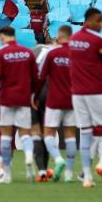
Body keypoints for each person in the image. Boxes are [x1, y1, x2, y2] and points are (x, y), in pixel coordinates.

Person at [68, 8, 102, 188]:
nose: (100, 24)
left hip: (78, 93)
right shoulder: (99, 40)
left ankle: (87, 177)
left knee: (86, 132)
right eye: (99, 21)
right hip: (96, 91)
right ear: (90, 20)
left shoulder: (73, 39)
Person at [0, 26, 37, 184]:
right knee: (25, 133)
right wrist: (33, 96)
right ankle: (29, 157)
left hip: (6, 98)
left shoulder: (0, 53)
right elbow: (35, 77)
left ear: (3, 37)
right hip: (23, 98)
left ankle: (7, 173)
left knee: (5, 135)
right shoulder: (27, 52)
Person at [35, 25, 75, 182]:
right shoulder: (77, 55)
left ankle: (58, 159)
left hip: (54, 99)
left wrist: (35, 96)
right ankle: (69, 174)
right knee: (70, 136)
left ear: (59, 37)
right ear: (71, 37)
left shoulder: (53, 54)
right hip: (72, 100)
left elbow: (41, 77)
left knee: (48, 133)